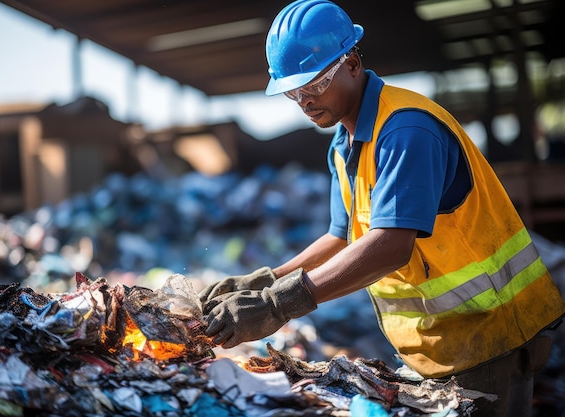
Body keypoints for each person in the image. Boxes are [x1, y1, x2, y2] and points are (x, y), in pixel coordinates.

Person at [200, 1, 565, 415]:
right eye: (293, 91)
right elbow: (343, 237)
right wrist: (265, 281)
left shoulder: (407, 129)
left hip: (490, 332)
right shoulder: (344, 144)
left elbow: (391, 244)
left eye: (314, 84)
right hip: (440, 343)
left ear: (352, 63)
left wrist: (279, 304)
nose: (304, 100)